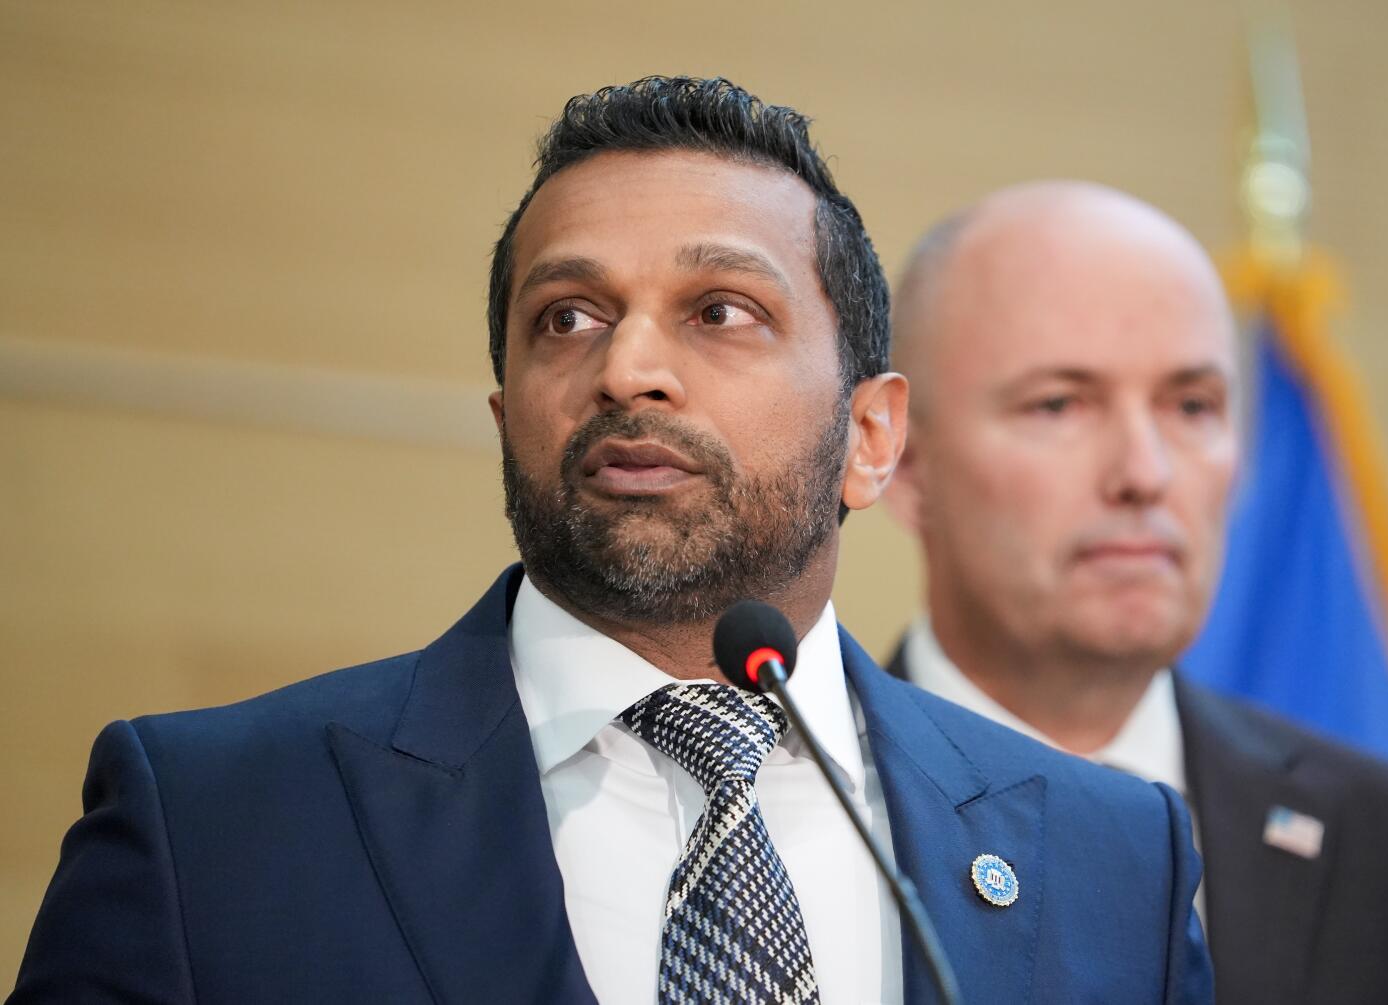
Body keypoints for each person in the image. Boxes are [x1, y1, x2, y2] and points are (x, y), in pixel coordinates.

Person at [11, 82, 1210, 1004]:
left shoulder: (1115, 862)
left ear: (874, 433)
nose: (626, 368)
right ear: (505, 420)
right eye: (566, 318)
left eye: (720, 312)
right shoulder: (212, 827)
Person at [884, 180, 1388, 1005]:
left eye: (1192, 405)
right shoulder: (790, 810)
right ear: (904, 463)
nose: (1145, 472)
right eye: (1060, 403)